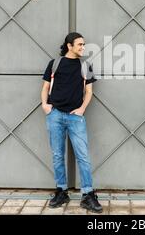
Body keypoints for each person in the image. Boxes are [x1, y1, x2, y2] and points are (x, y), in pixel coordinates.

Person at [41, 32, 102, 213]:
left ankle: (88, 195)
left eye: (84, 45)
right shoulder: (55, 64)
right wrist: (45, 105)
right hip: (55, 115)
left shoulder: (86, 65)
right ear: (69, 46)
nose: (83, 48)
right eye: (80, 45)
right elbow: (45, 87)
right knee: (58, 155)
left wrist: (82, 109)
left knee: (83, 156)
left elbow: (89, 91)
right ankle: (61, 191)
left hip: (76, 117)